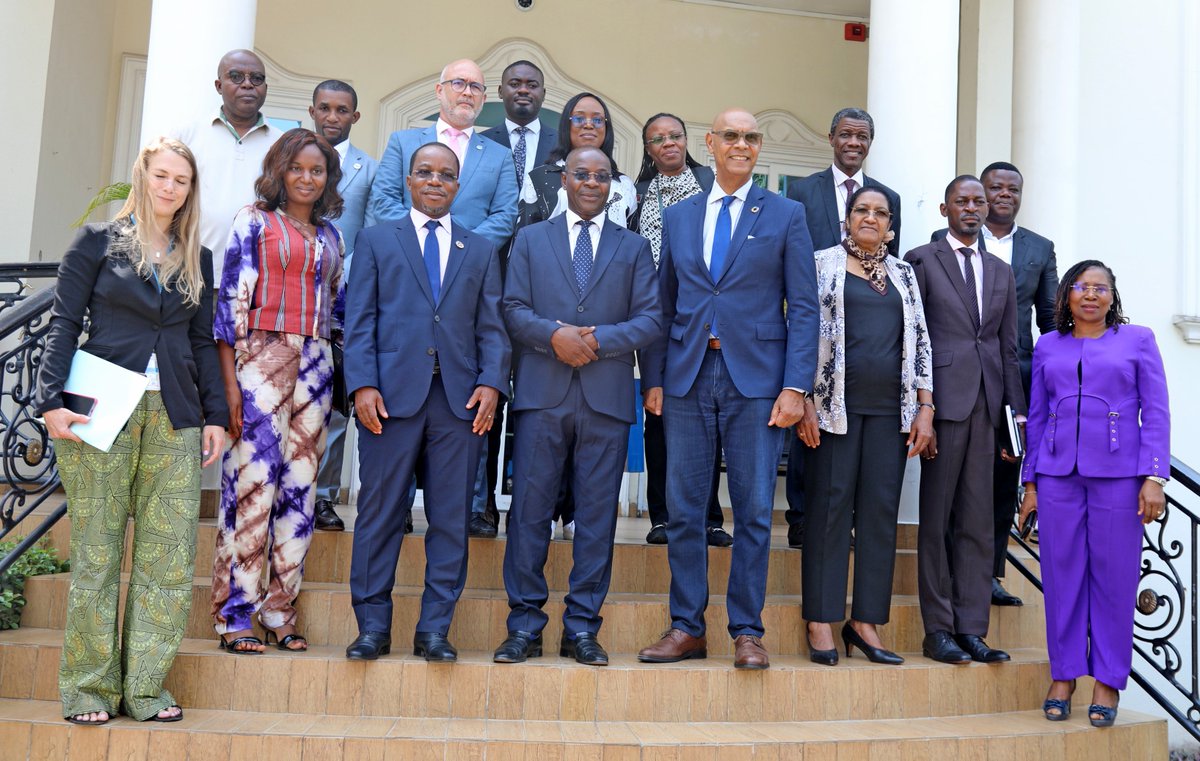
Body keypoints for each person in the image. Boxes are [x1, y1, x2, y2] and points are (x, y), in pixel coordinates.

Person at [35, 137, 227, 724]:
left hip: (174, 413)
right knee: (97, 554)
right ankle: (88, 690)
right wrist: (50, 401)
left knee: (167, 558)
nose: (170, 187)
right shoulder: (97, 242)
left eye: (181, 180)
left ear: (190, 191)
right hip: (101, 411)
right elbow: (64, 322)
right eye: (161, 175)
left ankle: (144, 690)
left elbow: (202, 342)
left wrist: (216, 416)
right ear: (142, 176)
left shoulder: (197, 256)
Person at [638, 108, 818, 670]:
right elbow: (663, 303)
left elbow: (804, 306)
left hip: (758, 382)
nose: (742, 144)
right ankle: (687, 627)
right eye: (732, 136)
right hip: (688, 376)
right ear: (710, 143)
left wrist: (796, 386)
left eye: (752, 137)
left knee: (755, 510)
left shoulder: (786, 213)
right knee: (685, 509)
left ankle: (747, 631)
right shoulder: (680, 216)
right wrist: (654, 378)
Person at [495, 146, 661, 667]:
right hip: (542, 395)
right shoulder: (531, 238)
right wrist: (554, 336)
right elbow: (512, 308)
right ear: (563, 179)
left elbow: (651, 318)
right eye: (582, 174)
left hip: (605, 399)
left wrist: (596, 341)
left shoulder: (634, 247)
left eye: (602, 176)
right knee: (529, 513)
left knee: (596, 518)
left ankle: (583, 628)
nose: (592, 183)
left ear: (613, 186)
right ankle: (524, 626)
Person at [344, 142, 509, 662]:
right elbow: (359, 320)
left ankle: (435, 629)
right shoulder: (376, 240)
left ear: (457, 186)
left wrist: (492, 383)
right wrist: (362, 384)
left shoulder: (479, 249)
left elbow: (492, 326)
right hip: (388, 400)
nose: (435, 180)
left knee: (451, 518)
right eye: (425, 171)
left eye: (446, 174)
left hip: (460, 404)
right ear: (409, 181)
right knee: (379, 514)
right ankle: (372, 627)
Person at [211, 128, 345, 655]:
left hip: (316, 364)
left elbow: (335, 307)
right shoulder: (254, 221)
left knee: (301, 490)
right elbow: (229, 305)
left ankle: (279, 608)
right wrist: (230, 387)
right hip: (259, 360)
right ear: (279, 171)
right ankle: (235, 613)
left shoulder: (332, 237)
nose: (307, 178)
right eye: (297, 168)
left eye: (317, 170)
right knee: (252, 488)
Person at [1019, 260, 1168, 727]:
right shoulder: (1048, 344)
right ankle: (1063, 676)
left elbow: (1156, 411)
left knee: (1114, 580)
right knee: (1061, 577)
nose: (1090, 295)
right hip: (1058, 475)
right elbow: (1037, 416)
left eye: (1100, 288)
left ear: (1112, 296)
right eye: (1081, 287)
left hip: (1120, 477)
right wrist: (1030, 483)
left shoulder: (1138, 340)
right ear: (1066, 295)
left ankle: (1107, 681)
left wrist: (1154, 477)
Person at [795, 186, 933, 666]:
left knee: (879, 515)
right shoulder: (821, 264)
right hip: (833, 410)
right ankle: (820, 619)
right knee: (829, 512)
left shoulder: (904, 273)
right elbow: (800, 331)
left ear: (891, 224)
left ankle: (866, 621)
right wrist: (803, 397)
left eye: (880, 213)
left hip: (891, 413)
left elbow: (921, 339)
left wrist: (926, 405)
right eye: (862, 210)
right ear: (848, 218)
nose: (870, 218)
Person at [903, 175, 1025, 665]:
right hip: (941, 404)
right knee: (936, 520)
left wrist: (1013, 418)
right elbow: (912, 338)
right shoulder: (921, 260)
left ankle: (972, 628)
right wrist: (920, 407)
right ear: (945, 209)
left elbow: (1007, 346)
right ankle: (938, 630)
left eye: (978, 201)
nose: (972, 208)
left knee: (978, 520)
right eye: (962, 201)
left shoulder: (1001, 271)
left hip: (987, 407)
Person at [933, 161, 1058, 606]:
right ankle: (950, 570)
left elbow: (1049, 318)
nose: (1004, 195)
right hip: (960, 377)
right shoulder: (948, 239)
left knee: (1004, 475)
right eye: (995, 188)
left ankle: (989, 573)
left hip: (1015, 377)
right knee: (956, 475)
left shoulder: (1039, 248)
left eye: (1013, 189)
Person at [783, 107, 902, 549]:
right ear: (831, 137)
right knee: (808, 420)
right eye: (846, 135)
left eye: (862, 136)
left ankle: (848, 518)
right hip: (814, 317)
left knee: (853, 437)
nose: (854, 143)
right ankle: (801, 516)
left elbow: (889, 263)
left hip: (863, 328)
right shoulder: (801, 190)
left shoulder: (887, 196)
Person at [631, 112, 729, 547]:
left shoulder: (711, 182)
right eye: (658, 139)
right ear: (648, 149)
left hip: (702, 313)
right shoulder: (637, 192)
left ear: (688, 141)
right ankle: (662, 516)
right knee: (658, 413)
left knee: (708, 414)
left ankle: (709, 518)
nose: (668, 143)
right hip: (654, 315)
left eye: (675, 136)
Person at [473, 59, 559, 539]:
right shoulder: (480, 144)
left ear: (543, 92)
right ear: (500, 91)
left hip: (542, 297)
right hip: (485, 289)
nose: (523, 90)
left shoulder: (562, 145)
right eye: (515, 83)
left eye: (532, 84)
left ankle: (530, 505)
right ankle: (481, 502)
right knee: (486, 396)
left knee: (534, 402)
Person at [308, 79, 379, 533]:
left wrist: (336, 270)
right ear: (312, 111)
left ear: (355, 116)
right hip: (290, 294)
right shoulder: (289, 158)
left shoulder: (369, 170)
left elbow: (370, 234)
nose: (332, 117)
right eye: (325, 108)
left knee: (334, 403)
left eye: (342, 110)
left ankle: (323, 496)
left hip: (342, 299)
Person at [368, 58, 517, 249]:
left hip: (467, 259)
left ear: (484, 98)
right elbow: (383, 199)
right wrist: (417, 238)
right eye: (458, 83)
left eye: (475, 87)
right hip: (406, 252)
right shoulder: (402, 142)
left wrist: (464, 248)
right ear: (439, 90)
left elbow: (505, 216)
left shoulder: (500, 156)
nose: (467, 92)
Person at [170, 49, 283, 286]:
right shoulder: (187, 136)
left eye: (257, 78)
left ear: (265, 88)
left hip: (256, 282)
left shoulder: (282, 144)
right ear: (219, 85)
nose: (248, 84)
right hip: (192, 276)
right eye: (236, 76)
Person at [518, 92, 638, 230]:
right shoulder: (537, 179)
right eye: (579, 118)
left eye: (597, 120)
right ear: (566, 125)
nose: (589, 125)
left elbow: (633, 239)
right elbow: (524, 238)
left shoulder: (624, 185)